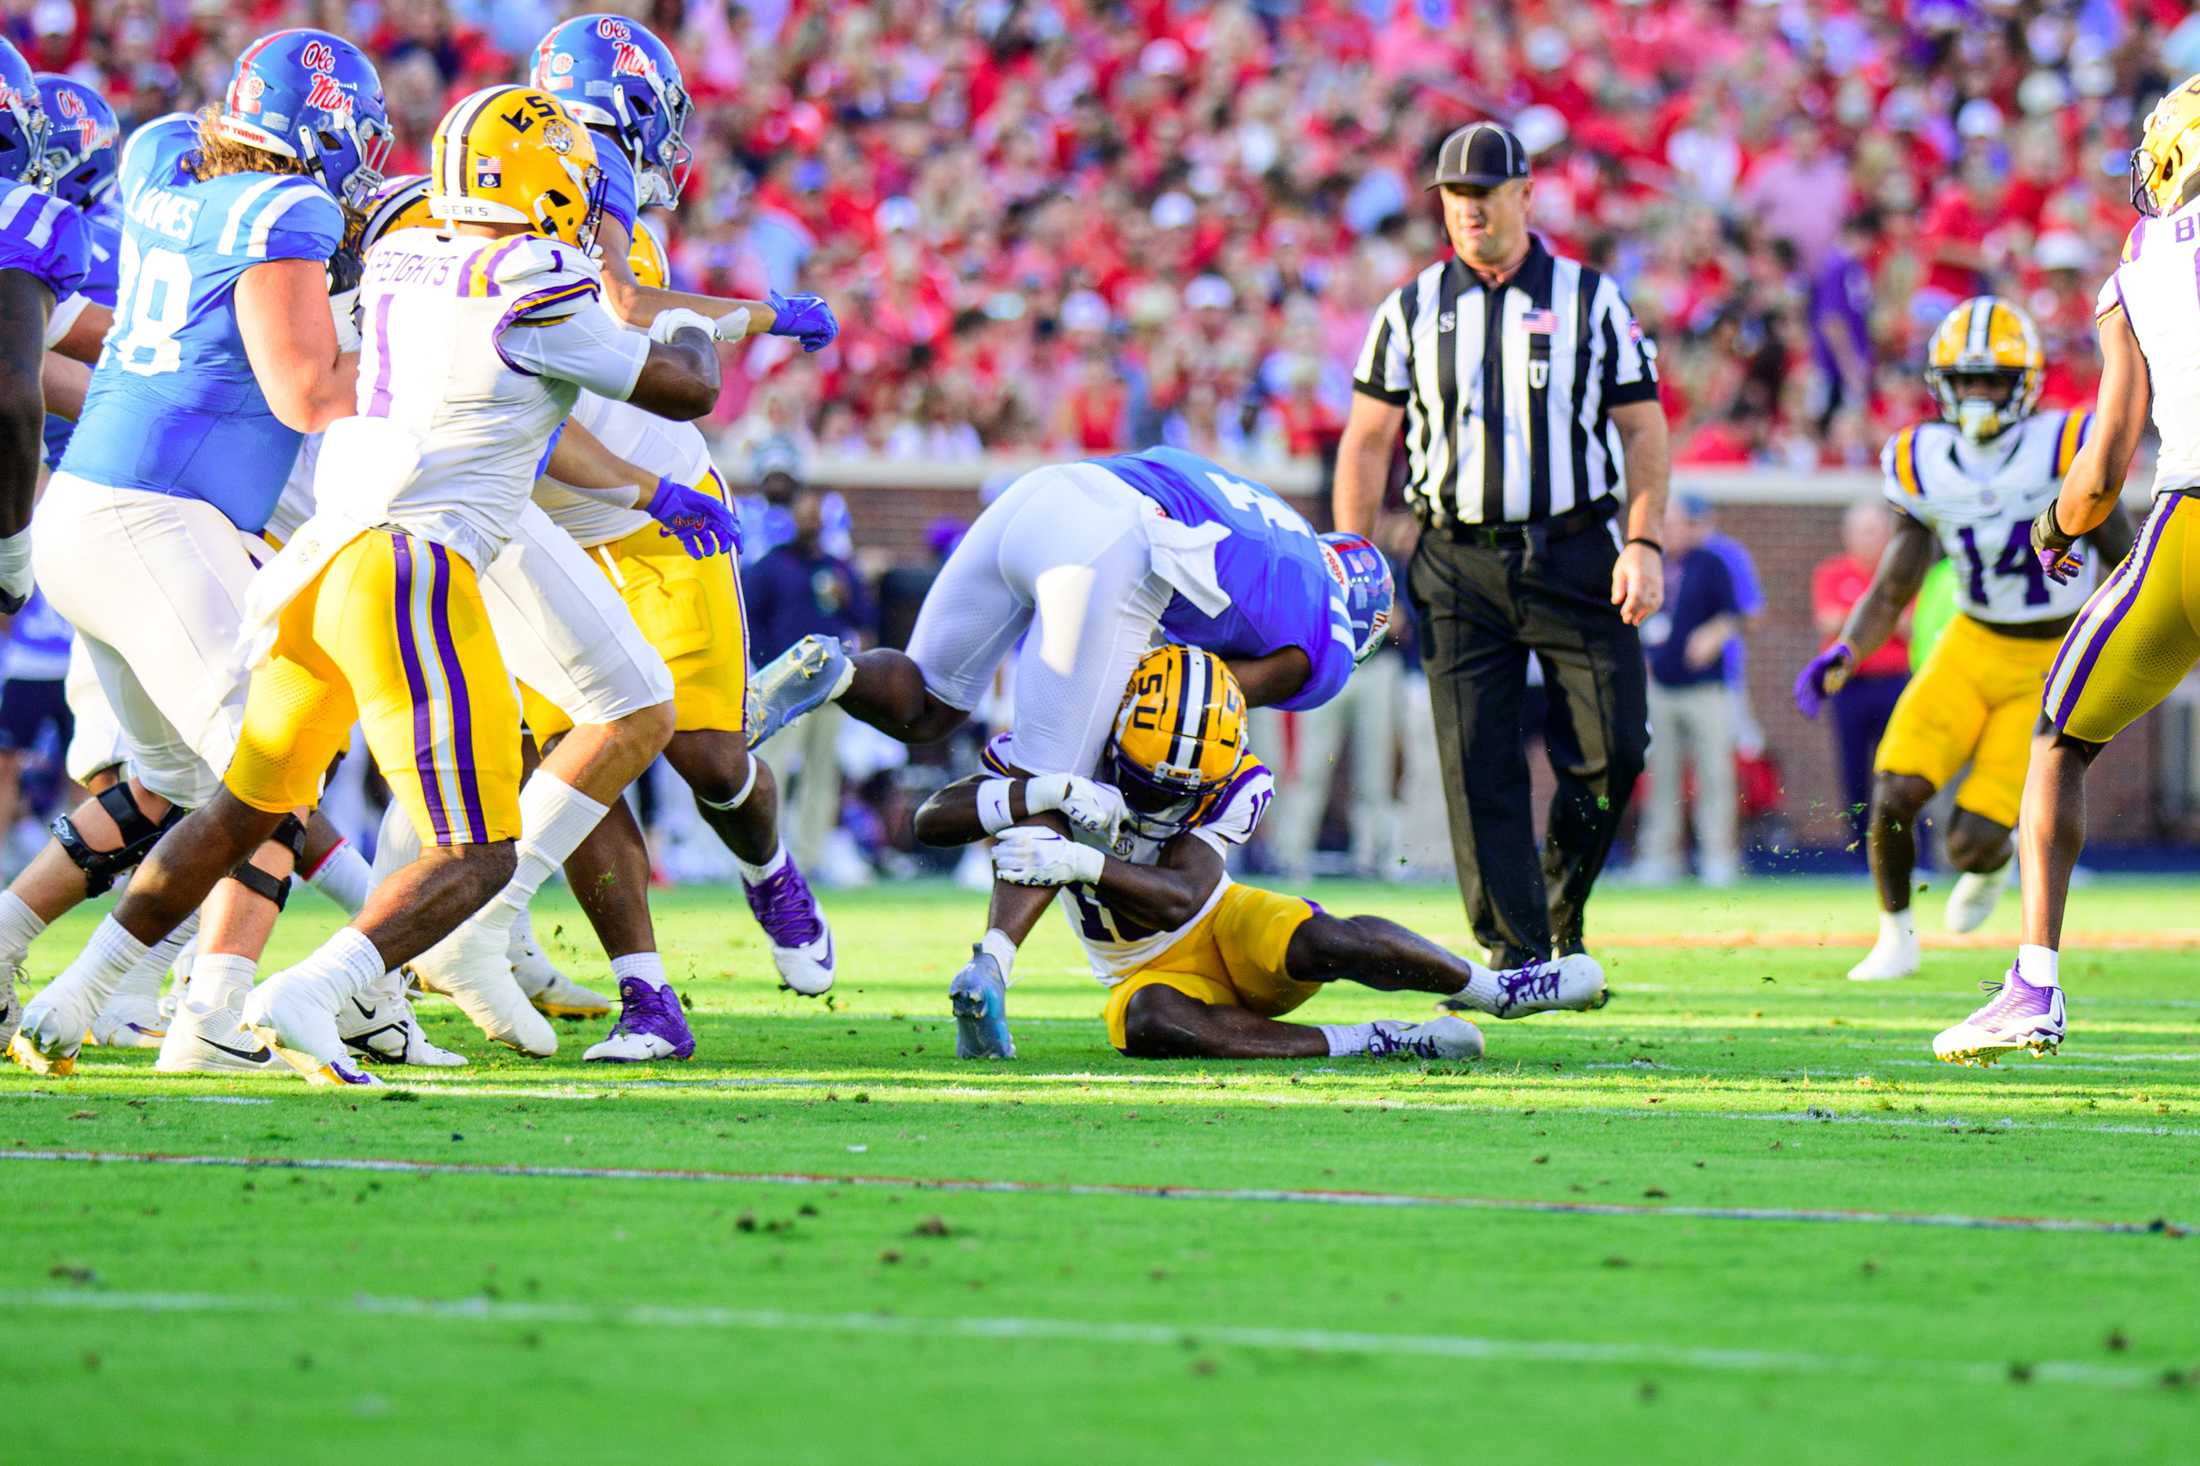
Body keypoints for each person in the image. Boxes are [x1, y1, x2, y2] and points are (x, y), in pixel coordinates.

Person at [34, 83, 722, 1088]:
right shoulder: (537, 275)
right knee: (475, 851)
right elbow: (684, 384)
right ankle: (318, 991)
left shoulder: (405, 253)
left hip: (323, 561)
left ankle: (78, 993)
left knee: (243, 804)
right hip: (413, 572)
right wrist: (699, 316)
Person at [7, 32, 389, 1077]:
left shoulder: (178, 188)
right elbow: (308, 393)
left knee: (174, 784)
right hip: (157, 521)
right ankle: (201, 1008)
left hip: (90, 510)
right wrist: (439, 358)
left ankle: (8, 947)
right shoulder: (286, 209)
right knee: (269, 770)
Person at [746, 445, 1393, 1060]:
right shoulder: (1328, 640)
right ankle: (990, 966)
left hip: (1044, 493)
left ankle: (840, 673)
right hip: (1115, 544)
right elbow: (1201, 697)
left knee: (928, 705)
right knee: (1057, 777)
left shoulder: (1278, 525)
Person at [912, 646, 1607, 1061]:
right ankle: (1377, 1039)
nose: (1159, 799)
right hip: (1135, 964)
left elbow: (1185, 895)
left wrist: (1085, 863)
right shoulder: (1075, 745)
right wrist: (1044, 788)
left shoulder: (1242, 776)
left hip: (1219, 920)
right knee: (1151, 1023)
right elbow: (931, 819)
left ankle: (1498, 991)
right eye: (1146, 780)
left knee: (1331, 938)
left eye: (1178, 790)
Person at [1333, 121, 1667, 972]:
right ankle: (1517, 955)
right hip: (1454, 557)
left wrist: (1644, 541)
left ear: (1525, 193)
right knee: (1476, 759)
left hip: (1575, 545)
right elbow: (1369, 439)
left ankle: (1559, 906)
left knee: (1615, 744)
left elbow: (1643, 428)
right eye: (1456, 196)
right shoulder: (1409, 307)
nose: (1470, 210)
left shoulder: (1593, 299)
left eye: (1486, 193)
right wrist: (1352, 553)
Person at [1930, 79, 2200, 1065]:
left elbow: (2102, 465)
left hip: (2188, 525)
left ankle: (2031, 984)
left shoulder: (2140, 259)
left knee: (2059, 736)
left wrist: (2056, 522)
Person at [1797, 297, 2131, 983]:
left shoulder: (2066, 444)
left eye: (1993, 380)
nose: (1978, 394)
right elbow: (1894, 583)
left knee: (1970, 843)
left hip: (2048, 656)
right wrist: (1847, 651)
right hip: (1970, 642)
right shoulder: (1922, 456)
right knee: (1892, 788)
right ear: (1941, 382)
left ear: (2026, 383)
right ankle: (1895, 936)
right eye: (1966, 379)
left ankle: (1996, 857)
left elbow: (2126, 561)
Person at [745, 483, 869, 873]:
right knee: (775, 765)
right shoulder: (772, 566)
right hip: (785, 682)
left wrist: (848, 596)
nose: (811, 521)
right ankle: (766, 853)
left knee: (823, 768)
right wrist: (767, 667)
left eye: (816, 514)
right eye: (804, 513)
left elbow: (865, 618)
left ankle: (811, 855)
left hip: (830, 683)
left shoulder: (836, 567)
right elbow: (751, 621)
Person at [1635, 497, 1744, 886]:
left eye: (1680, 523)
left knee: (1714, 773)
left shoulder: (1711, 564)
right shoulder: (1652, 565)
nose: (1673, 531)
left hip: (1705, 687)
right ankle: (1658, 856)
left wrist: (1712, 636)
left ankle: (1718, 856)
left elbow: (1733, 616)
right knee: (1659, 774)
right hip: (1660, 686)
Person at [1810, 501, 1912, 845]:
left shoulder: (1901, 572)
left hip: (1894, 681)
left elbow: (1910, 626)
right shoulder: (1832, 572)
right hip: (1849, 684)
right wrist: (1880, 618)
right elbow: (1828, 620)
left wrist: (1856, 618)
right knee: (1853, 769)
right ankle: (1858, 849)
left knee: (1897, 768)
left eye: (1876, 531)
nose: (1870, 539)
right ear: (1847, 536)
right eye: (1863, 532)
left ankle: (1900, 846)